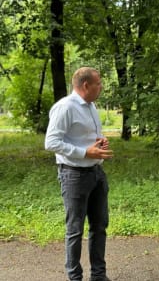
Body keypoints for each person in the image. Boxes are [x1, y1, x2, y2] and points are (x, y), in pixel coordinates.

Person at [45, 67, 114, 281]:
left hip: (96, 173)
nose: (101, 86)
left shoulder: (91, 106)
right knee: (75, 229)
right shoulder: (65, 107)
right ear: (86, 85)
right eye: (98, 83)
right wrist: (85, 151)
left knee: (99, 226)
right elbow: (51, 142)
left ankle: (98, 276)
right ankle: (74, 277)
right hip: (74, 175)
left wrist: (99, 142)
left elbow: (84, 136)